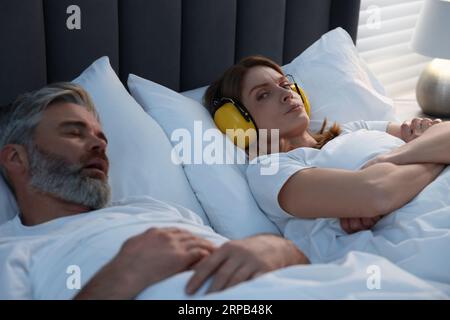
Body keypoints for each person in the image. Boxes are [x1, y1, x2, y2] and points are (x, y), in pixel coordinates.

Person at [0, 82, 309, 300]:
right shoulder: (12, 250)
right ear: (16, 158)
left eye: (101, 137)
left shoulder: (153, 208)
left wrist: (278, 250)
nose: (100, 145)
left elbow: (306, 268)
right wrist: (121, 277)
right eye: (73, 132)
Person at [204, 55, 449, 235]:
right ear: (237, 120)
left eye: (284, 85)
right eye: (263, 94)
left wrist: (389, 161)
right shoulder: (269, 170)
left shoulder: (352, 129)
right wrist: (434, 151)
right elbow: (378, 192)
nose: (287, 94)